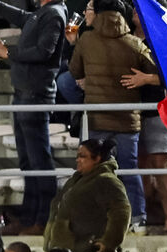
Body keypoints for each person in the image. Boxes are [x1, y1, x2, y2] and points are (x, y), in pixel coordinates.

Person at [0, 0, 66, 234]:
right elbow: (23, 16)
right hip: (23, 96)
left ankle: (42, 219)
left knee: (39, 162)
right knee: (28, 161)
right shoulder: (42, 13)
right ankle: (28, 218)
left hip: (35, 96)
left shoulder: (54, 14)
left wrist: (10, 52)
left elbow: (44, 51)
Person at [69, 0, 156, 223]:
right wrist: (144, 80)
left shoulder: (86, 40)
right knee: (129, 168)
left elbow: (75, 70)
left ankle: (98, 217)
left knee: (96, 172)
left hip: (98, 118)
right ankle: (137, 217)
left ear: (97, 14)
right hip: (128, 120)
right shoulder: (134, 43)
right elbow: (158, 74)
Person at [42, 138, 130, 252]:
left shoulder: (106, 180)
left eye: (82, 156)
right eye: (77, 156)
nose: (78, 160)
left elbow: (121, 212)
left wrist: (109, 242)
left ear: (97, 158)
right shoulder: (76, 179)